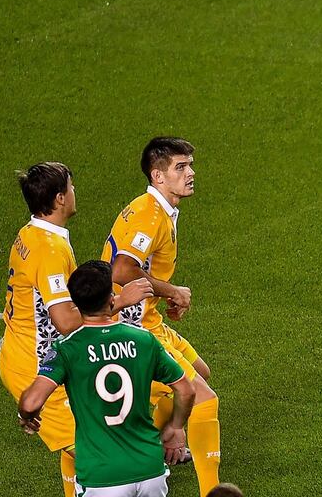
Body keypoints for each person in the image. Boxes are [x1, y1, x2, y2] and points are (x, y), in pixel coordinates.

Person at [0, 162, 152, 496]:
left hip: (30, 355)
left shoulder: (33, 233)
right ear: (58, 199)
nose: (74, 192)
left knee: (84, 445)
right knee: (104, 458)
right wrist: (119, 301)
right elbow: (66, 321)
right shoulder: (50, 250)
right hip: (37, 367)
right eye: (70, 186)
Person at [102, 137, 222, 496]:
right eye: (180, 167)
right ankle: (209, 487)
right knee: (204, 398)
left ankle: (155, 439)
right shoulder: (150, 215)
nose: (191, 173)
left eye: (190, 165)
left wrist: (163, 298)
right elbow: (122, 269)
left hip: (150, 319)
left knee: (201, 371)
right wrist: (172, 291)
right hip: (133, 327)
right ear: (158, 176)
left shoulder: (157, 209)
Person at [18, 260, 195, 497]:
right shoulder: (144, 340)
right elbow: (186, 389)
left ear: (75, 303)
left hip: (102, 478)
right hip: (150, 469)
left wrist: (27, 416)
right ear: (112, 299)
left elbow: (31, 402)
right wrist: (175, 427)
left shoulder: (67, 349)